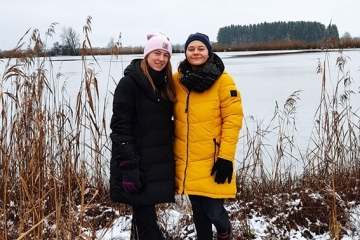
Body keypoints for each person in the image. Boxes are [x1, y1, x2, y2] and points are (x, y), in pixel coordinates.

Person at [173, 32, 244, 240]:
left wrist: (226, 158)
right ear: (185, 52)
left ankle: (225, 232)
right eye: (191, 49)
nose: (196, 52)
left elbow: (233, 121)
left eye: (200, 48)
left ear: (209, 51)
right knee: (198, 210)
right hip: (188, 158)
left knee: (213, 210)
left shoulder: (224, 82)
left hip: (213, 158)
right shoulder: (177, 80)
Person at [109, 30, 176, 240]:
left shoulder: (165, 85)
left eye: (166, 55)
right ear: (147, 55)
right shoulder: (129, 84)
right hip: (136, 165)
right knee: (147, 223)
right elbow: (120, 128)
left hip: (155, 165)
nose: (161, 59)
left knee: (145, 220)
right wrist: (128, 167)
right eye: (157, 53)